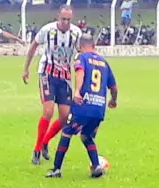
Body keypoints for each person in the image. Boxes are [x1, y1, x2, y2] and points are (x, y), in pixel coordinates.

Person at [45, 34, 118, 179]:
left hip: (83, 104)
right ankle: (96, 165)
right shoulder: (104, 62)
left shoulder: (81, 58)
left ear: (80, 46)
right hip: (99, 108)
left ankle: (56, 169)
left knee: (66, 132)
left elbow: (81, 72)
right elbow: (114, 87)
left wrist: (77, 91)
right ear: (94, 45)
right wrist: (113, 100)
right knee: (86, 136)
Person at [22, 5, 82, 165]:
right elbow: (33, 46)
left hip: (64, 76)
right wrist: (26, 68)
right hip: (47, 73)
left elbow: (80, 54)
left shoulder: (76, 33)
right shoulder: (47, 30)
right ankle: (36, 149)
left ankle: (45, 142)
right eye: (63, 19)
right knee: (48, 111)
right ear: (58, 17)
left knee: (64, 116)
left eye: (69, 20)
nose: (66, 22)